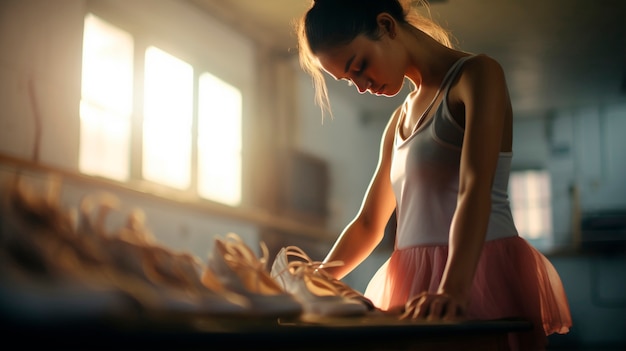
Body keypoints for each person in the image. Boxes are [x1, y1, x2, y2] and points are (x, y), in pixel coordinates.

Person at [296, 0, 572, 349]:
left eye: (360, 65)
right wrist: (316, 279)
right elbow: (369, 222)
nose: (362, 85)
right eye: (349, 80)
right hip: (411, 279)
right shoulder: (398, 121)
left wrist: (452, 288)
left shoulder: (477, 74)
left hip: (474, 270)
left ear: (387, 26)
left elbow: (475, 189)